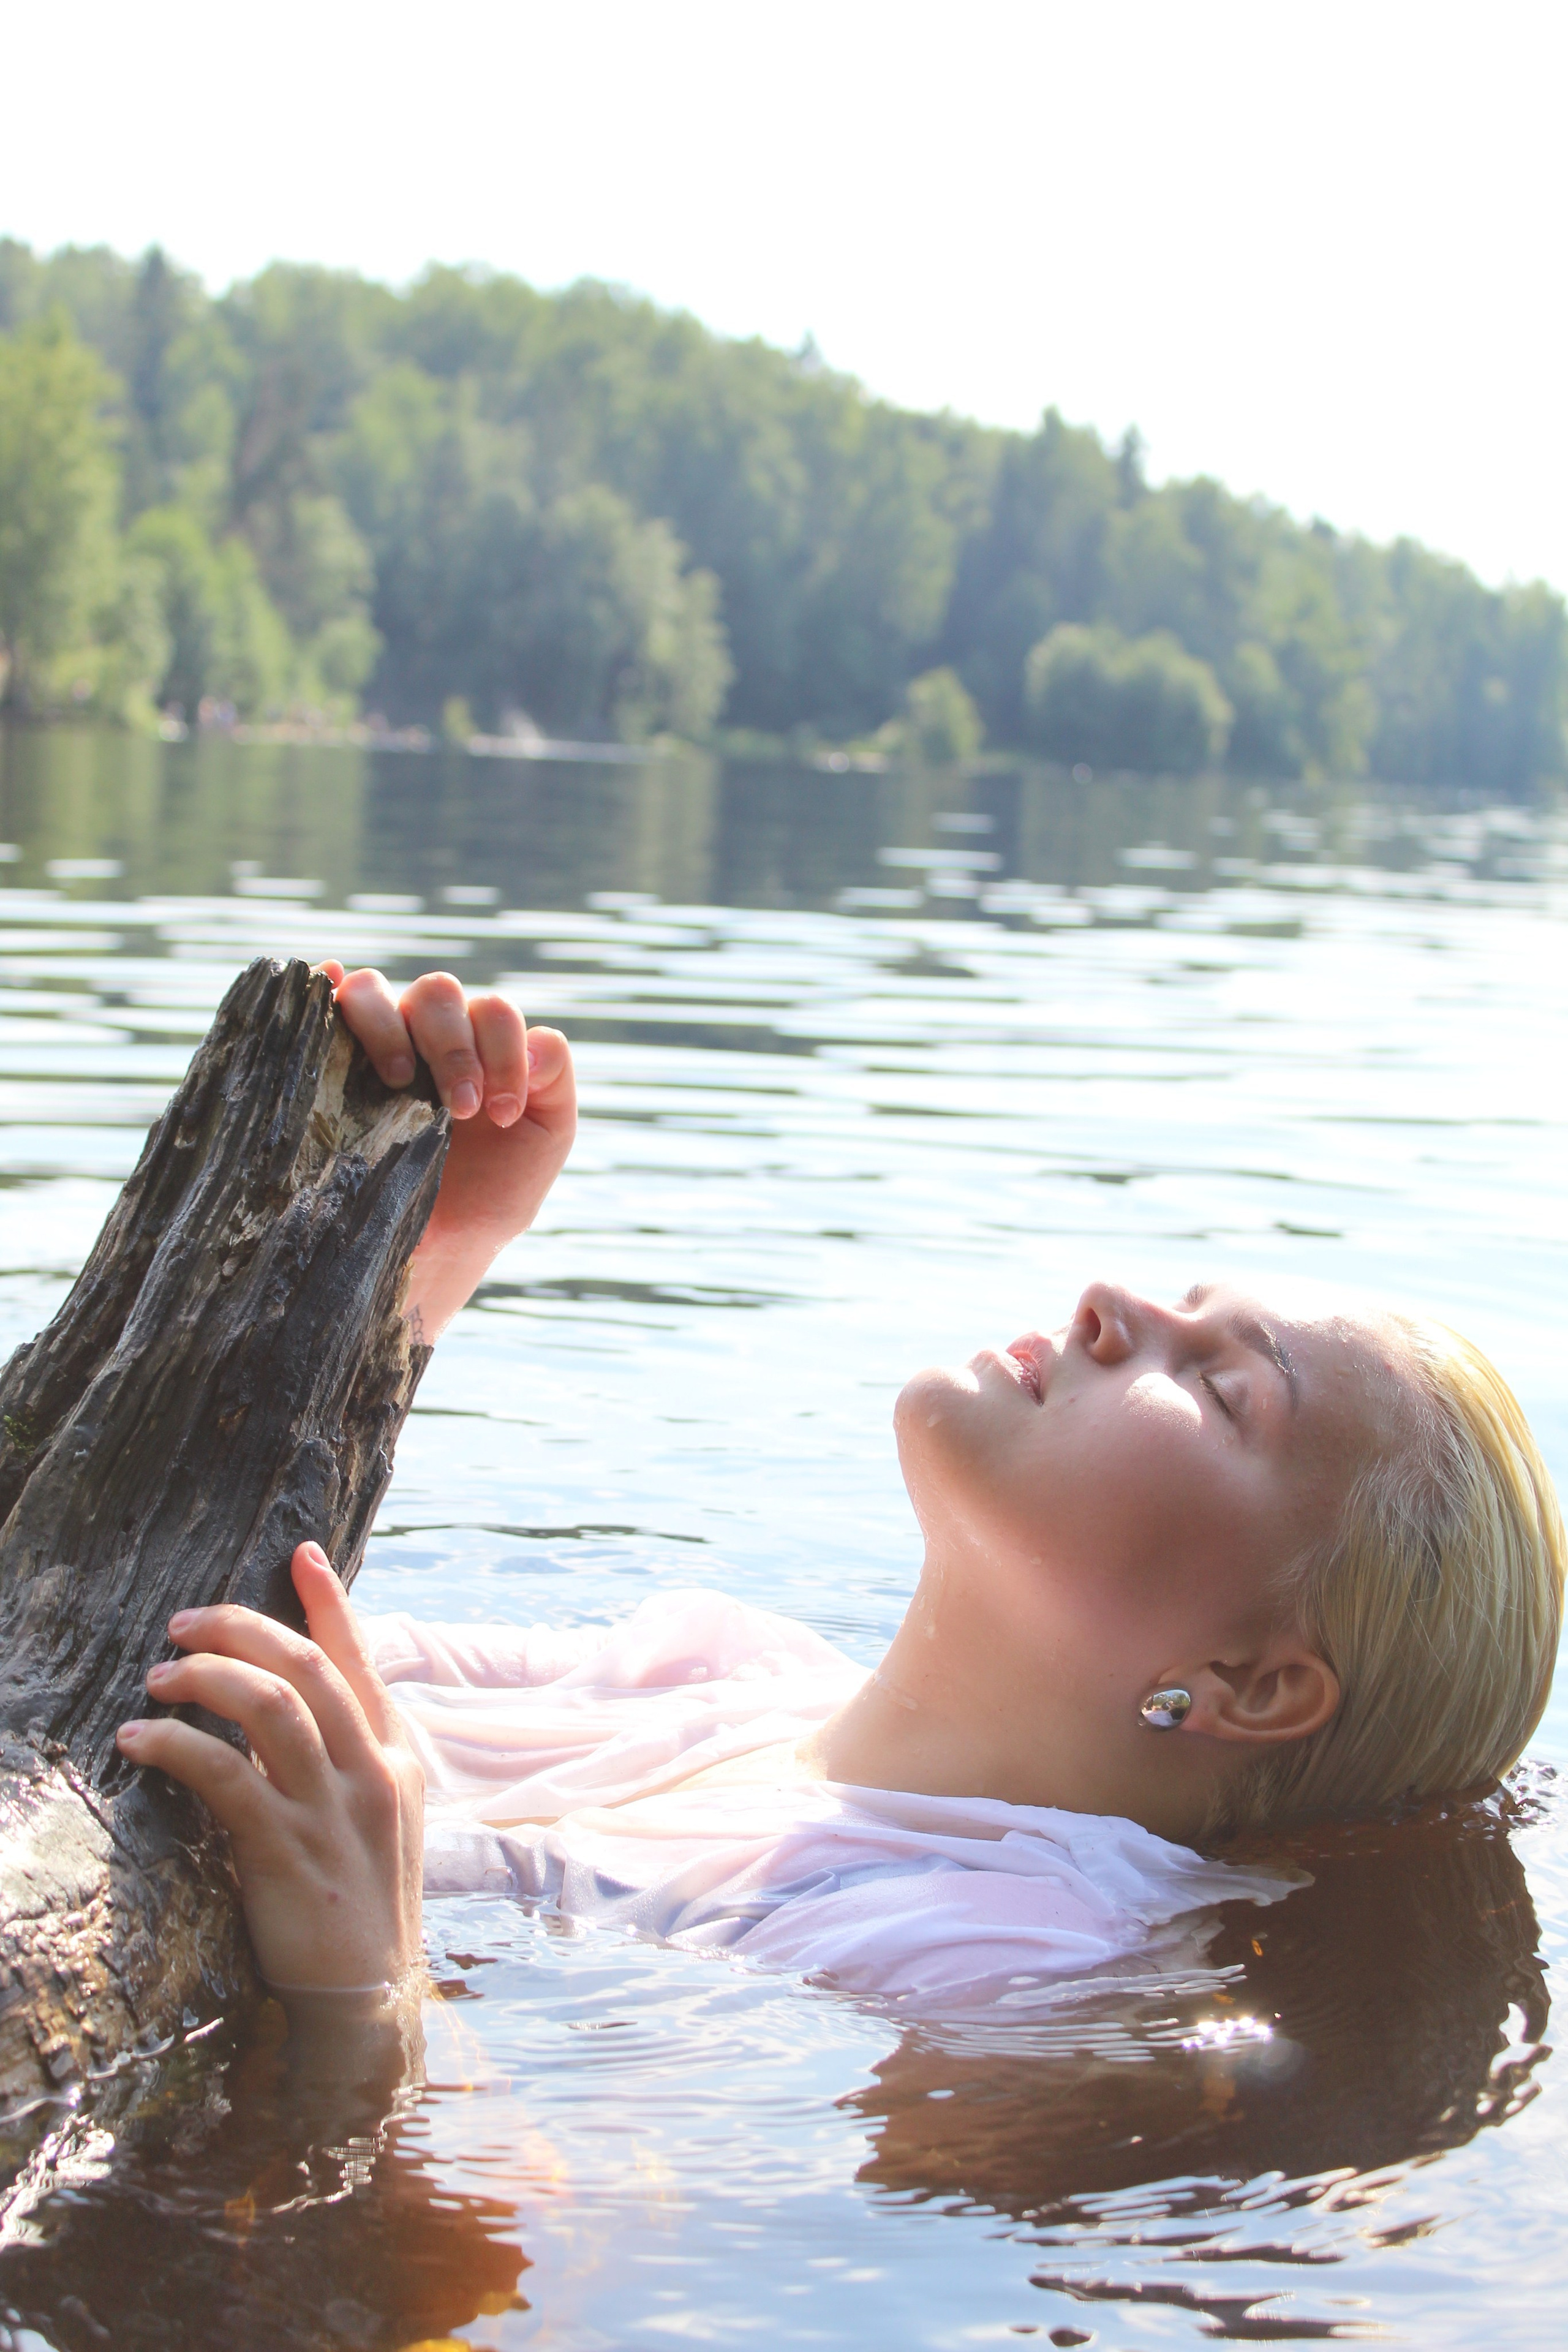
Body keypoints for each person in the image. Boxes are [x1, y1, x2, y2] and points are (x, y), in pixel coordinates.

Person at [115, 969, 1565, 2013]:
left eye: (1225, 1387)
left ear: (1247, 1683)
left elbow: (594, 2261)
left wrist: (361, 1990)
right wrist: (410, 1259)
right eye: (1182, 1298)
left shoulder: (1005, 1956)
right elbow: (189, 1627)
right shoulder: (710, 1662)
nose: (1110, 1299)